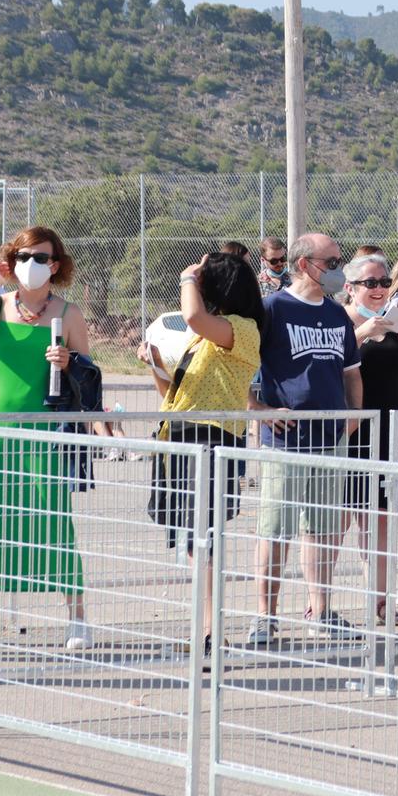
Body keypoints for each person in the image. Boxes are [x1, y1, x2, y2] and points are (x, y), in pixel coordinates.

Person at [0, 226, 93, 649]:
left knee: (53, 522)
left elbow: (89, 374)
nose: (33, 264)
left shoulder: (69, 314)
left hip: (43, 433)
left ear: (57, 264)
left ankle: (78, 619)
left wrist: (68, 361)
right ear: (13, 260)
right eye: (25, 256)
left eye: (42, 257)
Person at [136, 251, 263, 638]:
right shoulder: (206, 336)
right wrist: (155, 363)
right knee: (193, 542)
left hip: (209, 438)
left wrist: (188, 277)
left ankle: (209, 630)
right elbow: (176, 392)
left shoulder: (242, 328)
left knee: (202, 540)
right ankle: (203, 627)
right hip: (181, 436)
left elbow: (192, 315)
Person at [251, 233, 364, 645]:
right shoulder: (272, 309)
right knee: (275, 530)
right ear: (304, 264)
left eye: (339, 260)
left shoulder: (336, 316)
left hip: (330, 441)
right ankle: (265, 615)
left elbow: (352, 372)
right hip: (286, 443)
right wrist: (259, 410)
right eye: (331, 261)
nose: (338, 268)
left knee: (321, 531)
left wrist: (352, 419)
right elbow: (240, 363)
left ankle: (321, 610)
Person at [344, 251, 398, 632]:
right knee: (337, 519)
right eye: (370, 284)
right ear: (351, 288)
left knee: (380, 522)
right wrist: (362, 332)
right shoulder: (339, 321)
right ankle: (320, 606)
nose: (379, 289)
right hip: (351, 432)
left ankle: (381, 601)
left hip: (391, 430)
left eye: (383, 282)